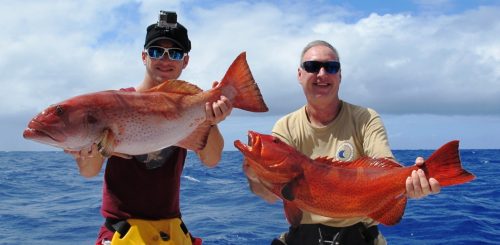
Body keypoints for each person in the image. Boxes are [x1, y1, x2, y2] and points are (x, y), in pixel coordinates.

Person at [244, 40, 441, 245]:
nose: (322, 74)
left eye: (331, 67)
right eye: (312, 66)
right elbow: (270, 195)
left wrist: (412, 181)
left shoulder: (366, 118)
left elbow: (385, 166)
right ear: (300, 75)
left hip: (360, 235)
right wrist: (254, 176)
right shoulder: (286, 126)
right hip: (303, 235)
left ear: (339, 75)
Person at [65, 11, 232, 245]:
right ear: (144, 57)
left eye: (174, 53)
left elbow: (212, 159)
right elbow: (89, 171)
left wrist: (210, 120)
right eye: (156, 51)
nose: (165, 60)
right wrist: (85, 152)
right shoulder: (116, 103)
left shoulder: (190, 106)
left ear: (185, 61)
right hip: (122, 232)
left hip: (172, 229)